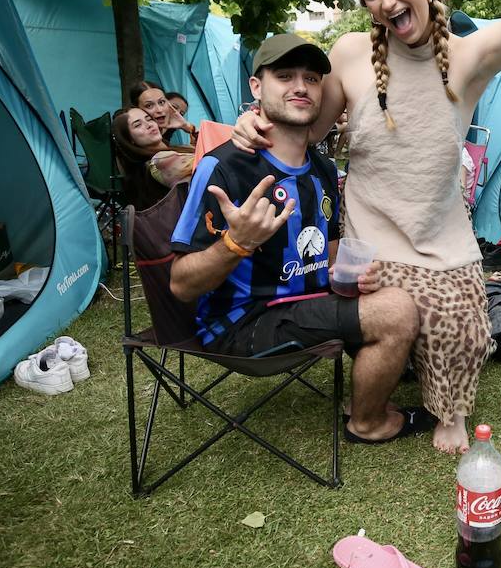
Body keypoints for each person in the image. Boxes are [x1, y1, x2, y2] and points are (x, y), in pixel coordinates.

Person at [233, 0, 501, 453]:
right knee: (399, 315)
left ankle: (448, 409)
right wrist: (254, 121)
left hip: (442, 237)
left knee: (463, 329)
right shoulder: (351, 53)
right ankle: (383, 368)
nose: (386, 1)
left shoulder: (471, 56)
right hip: (371, 240)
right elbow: (308, 132)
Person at [169, 34, 431, 444]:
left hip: (304, 304)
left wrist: (358, 273)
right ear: (256, 87)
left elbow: (329, 253)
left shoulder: (322, 170)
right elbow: (181, 285)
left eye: (311, 79)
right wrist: (237, 244)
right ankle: (368, 423)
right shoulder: (224, 168)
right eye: (285, 76)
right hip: (243, 323)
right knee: (395, 311)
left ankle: (380, 383)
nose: (300, 87)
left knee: (398, 284)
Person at [112, 107, 196, 211]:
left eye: (149, 119)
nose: (149, 125)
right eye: (138, 125)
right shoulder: (160, 161)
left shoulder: (173, 150)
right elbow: (207, 161)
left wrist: (186, 126)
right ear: (130, 140)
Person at [131, 81, 198, 146]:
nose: (159, 110)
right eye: (149, 105)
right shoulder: (143, 139)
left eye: (161, 102)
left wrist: (186, 126)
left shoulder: (170, 128)